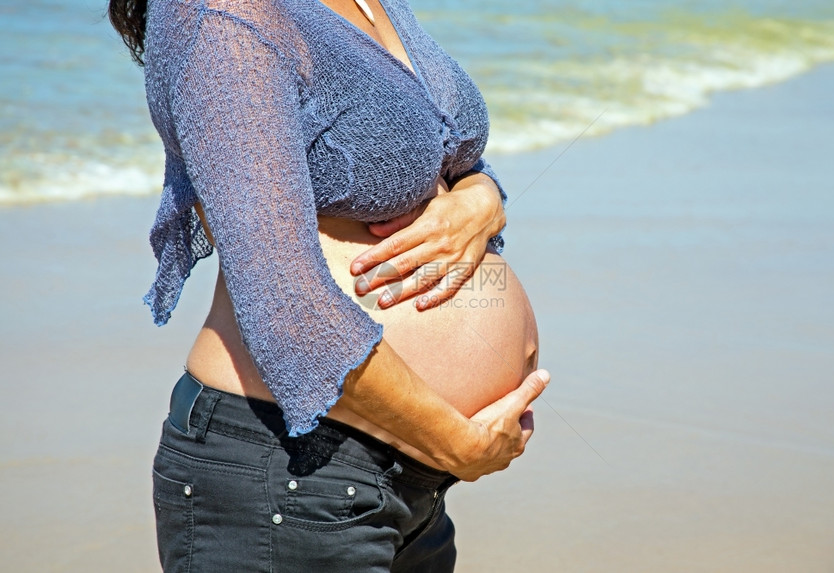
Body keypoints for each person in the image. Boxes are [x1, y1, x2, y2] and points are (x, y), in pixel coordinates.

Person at [108, 0, 549, 571]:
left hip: (407, 483)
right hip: (288, 476)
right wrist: (454, 442)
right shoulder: (220, 16)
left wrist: (483, 196)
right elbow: (282, 298)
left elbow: (440, 153)